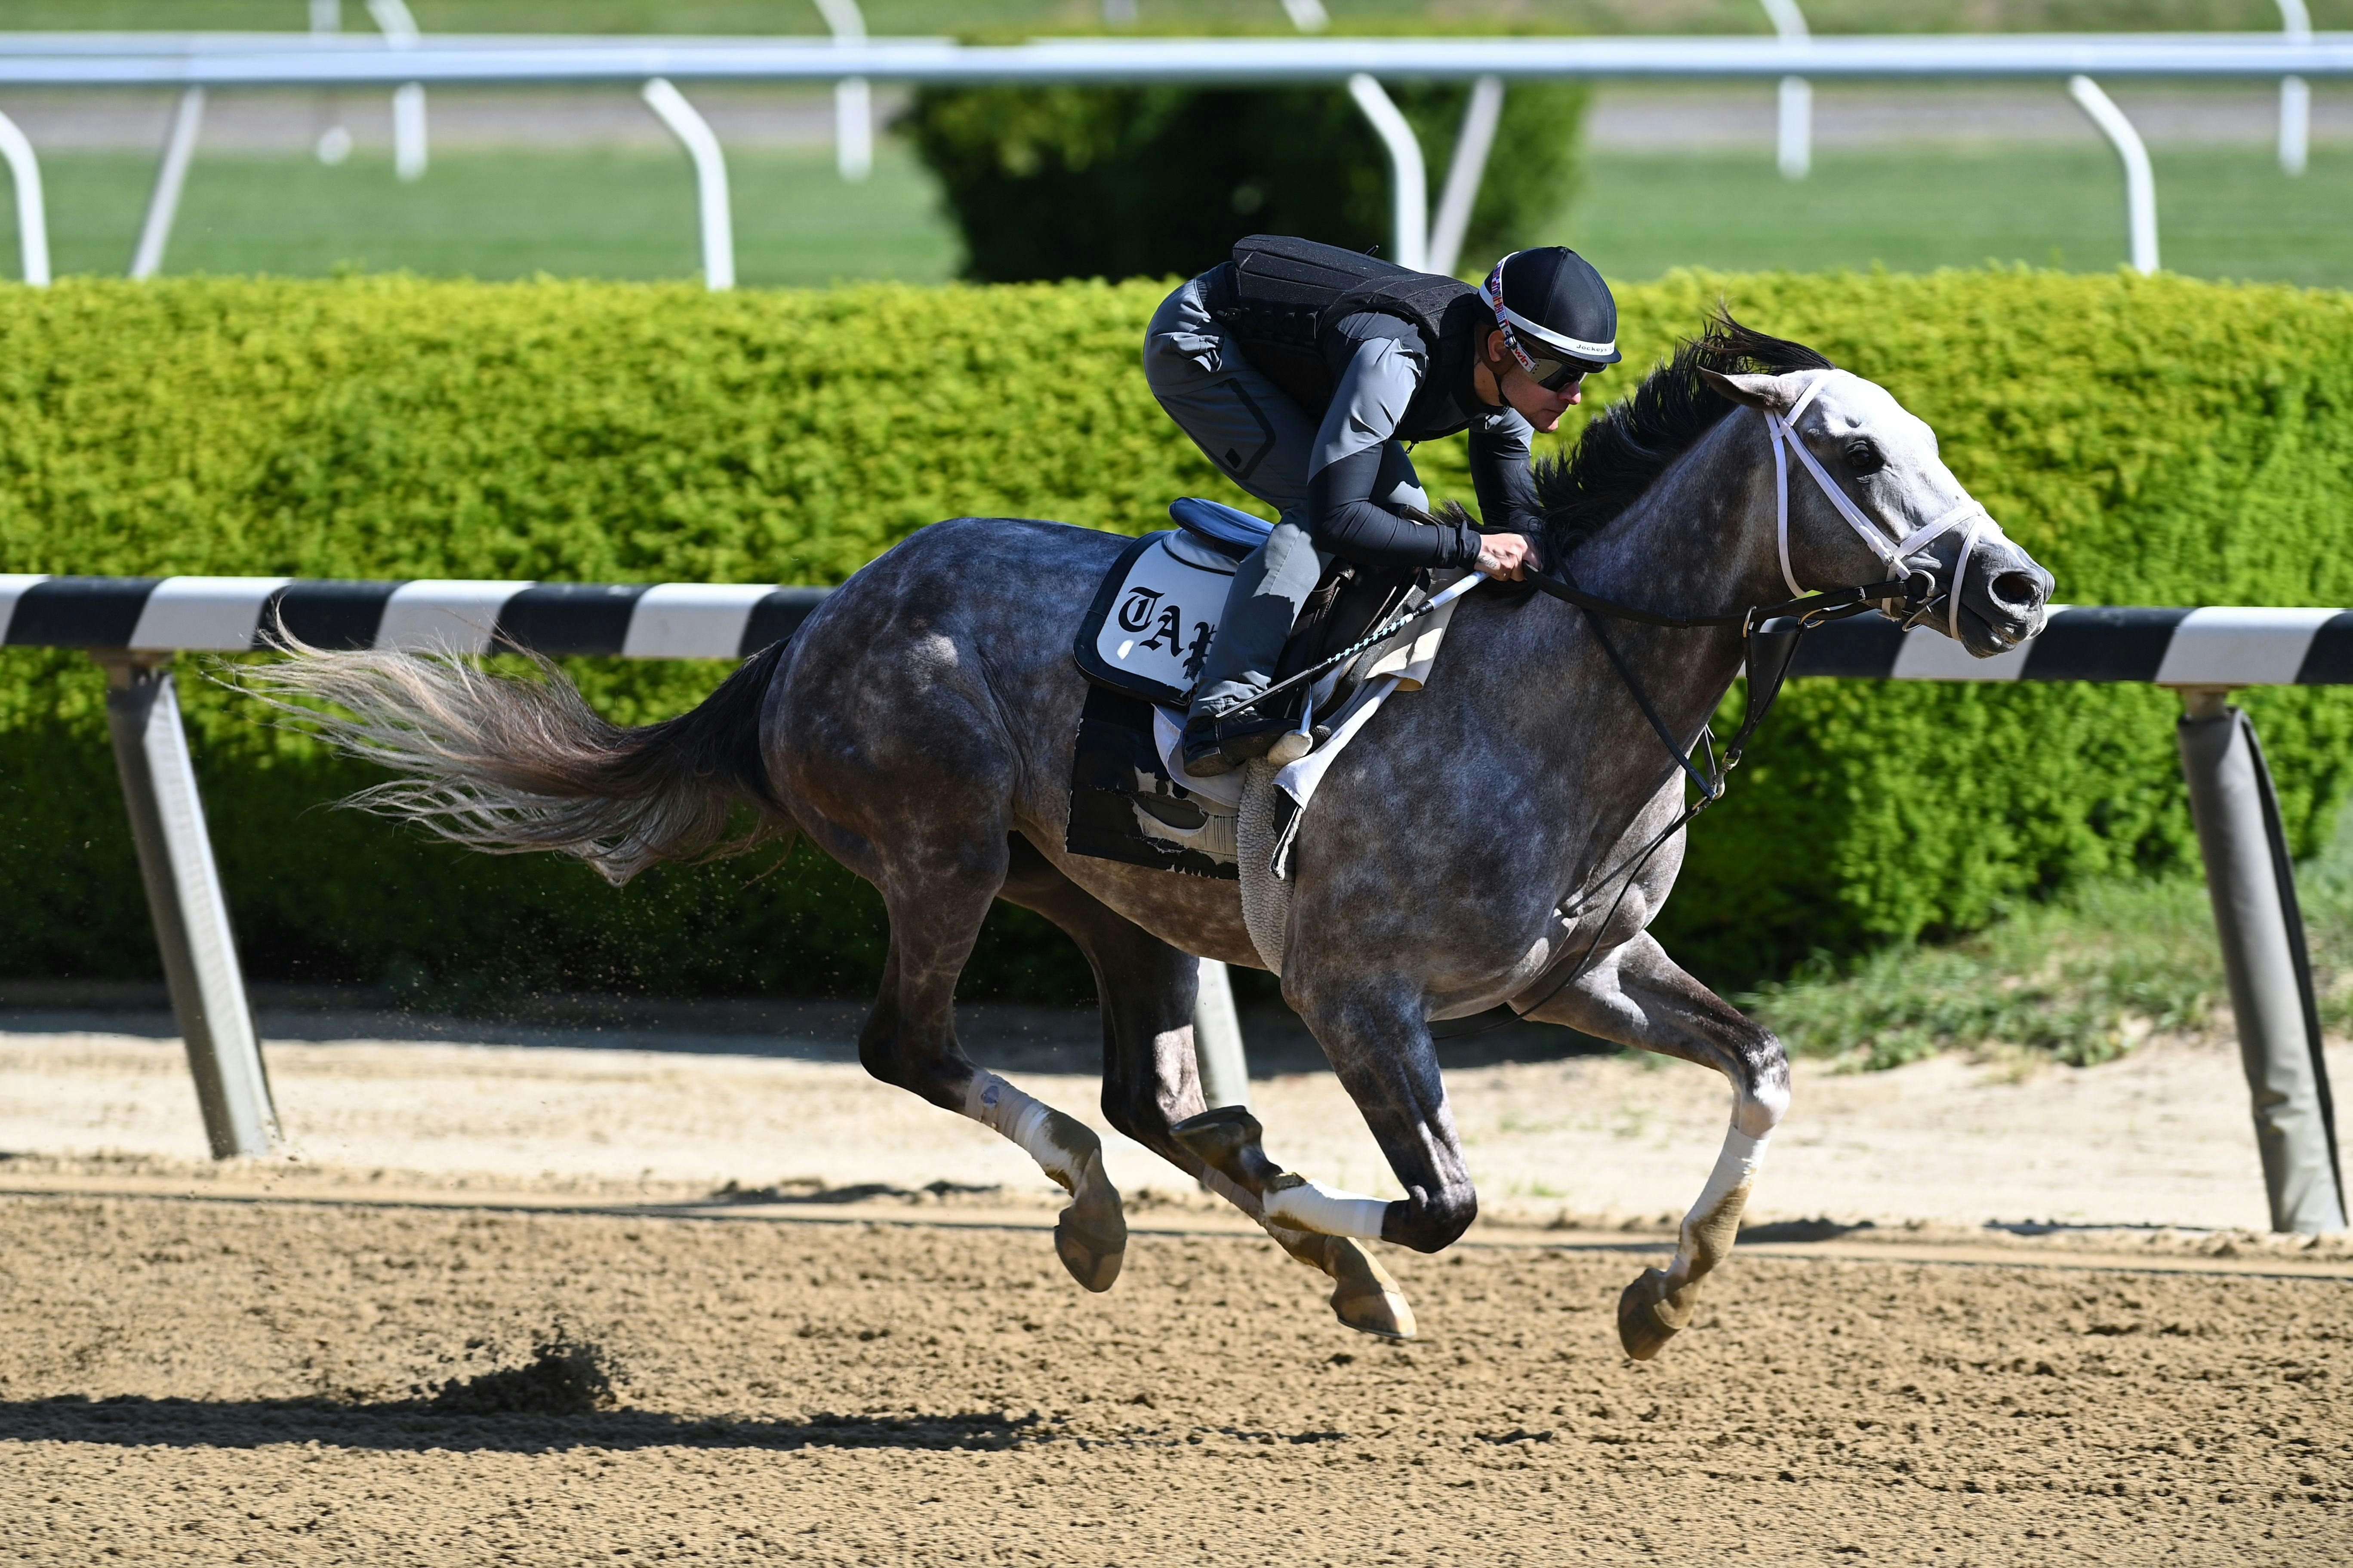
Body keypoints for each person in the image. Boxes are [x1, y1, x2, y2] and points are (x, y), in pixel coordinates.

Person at [1143, 236, 1620, 779]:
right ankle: (1221, 710)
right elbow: (1338, 517)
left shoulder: (1505, 380)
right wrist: (1473, 548)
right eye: (1560, 372)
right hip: (1201, 338)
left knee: (1407, 515)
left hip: (1300, 358)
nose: (1574, 393)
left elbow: (1517, 526)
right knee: (1317, 510)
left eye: (1585, 374)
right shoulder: (1394, 360)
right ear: (1497, 348)